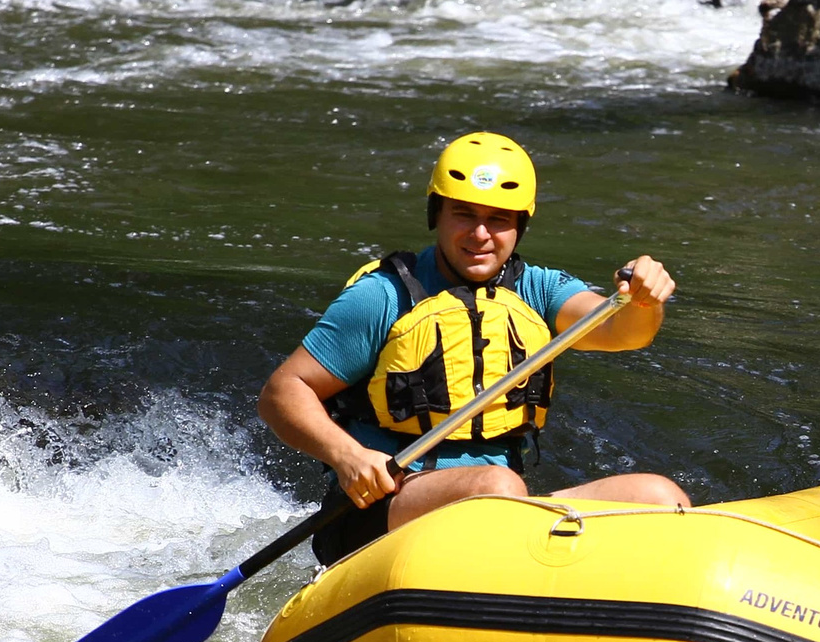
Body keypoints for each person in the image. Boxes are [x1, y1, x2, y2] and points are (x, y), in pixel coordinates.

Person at [257, 131, 687, 565]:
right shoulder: (384, 295)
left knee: (658, 495)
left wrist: (644, 300)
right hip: (380, 508)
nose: (480, 234)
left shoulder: (537, 290)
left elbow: (625, 332)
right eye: (464, 214)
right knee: (497, 488)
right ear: (436, 215)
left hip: (500, 505)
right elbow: (283, 392)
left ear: (520, 226)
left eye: (499, 219)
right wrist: (346, 455)